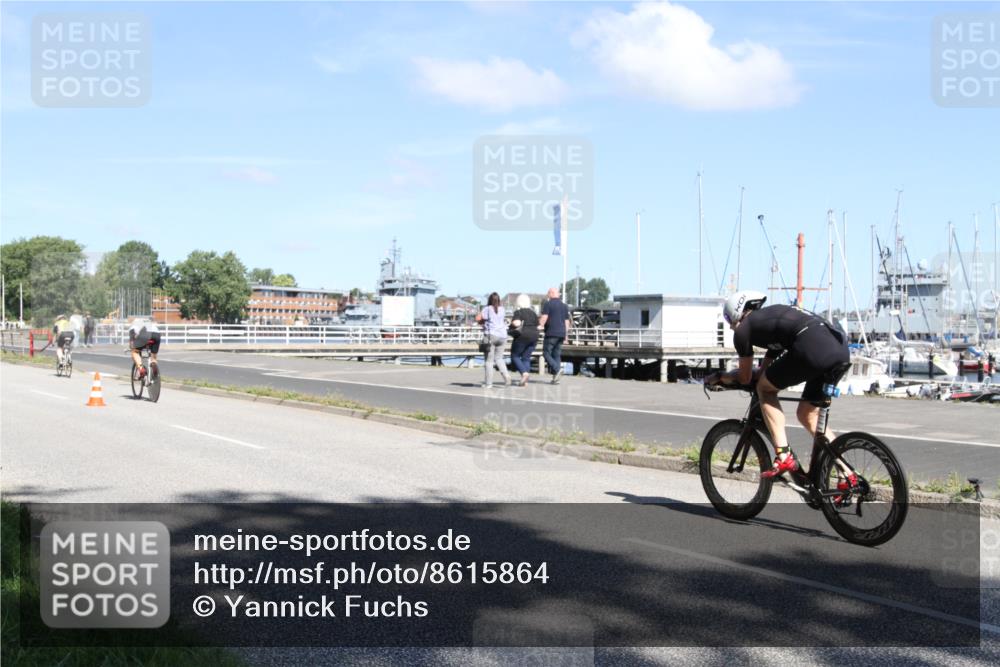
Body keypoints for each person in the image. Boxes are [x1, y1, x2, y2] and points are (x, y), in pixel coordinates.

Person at [706, 291, 850, 479]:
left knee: (765, 390)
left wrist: (719, 376)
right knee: (808, 415)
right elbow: (762, 373)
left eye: (728, 319)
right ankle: (847, 474)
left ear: (735, 313)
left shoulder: (743, 330)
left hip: (812, 347)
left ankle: (783, 454)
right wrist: (753, 377)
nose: (730, 326)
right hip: (839, 350)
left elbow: (745, 377)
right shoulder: (773, 323)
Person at [475, 293, 510, 388]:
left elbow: (477, 318)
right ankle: (506, 375)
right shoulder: (502, 309)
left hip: (491, 336)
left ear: (490, 300)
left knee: (489, 361)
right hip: (503, 336)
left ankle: (488, 384)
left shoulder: (487, 309)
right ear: (499, 300)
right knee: (499, 358)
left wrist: (481, 320)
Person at [538, 287, 570, 384]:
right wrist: (566, 335)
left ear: (551, 293)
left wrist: (540, 325)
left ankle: (557, 369)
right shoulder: (564, 306)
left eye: (548, 293)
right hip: (561, 333)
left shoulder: (548, 304)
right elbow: (567, 321)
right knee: (556, 354)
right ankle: (555, 378)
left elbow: (544, 317)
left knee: (546, 353)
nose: (547, 295)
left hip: (551, 333)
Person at [509, 293, 539, 386]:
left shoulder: (519, 312)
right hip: (534, 336)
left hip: (523, 335)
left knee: (515, 356)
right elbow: (538, 325)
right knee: (526, 357)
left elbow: (517, 323)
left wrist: (512, 324)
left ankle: (524, 373)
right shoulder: (533, 313)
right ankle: (525, 381)